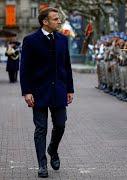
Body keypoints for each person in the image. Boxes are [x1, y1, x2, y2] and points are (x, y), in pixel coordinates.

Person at [20, 7, 74, 178]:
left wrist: (70, 89)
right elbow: (25, 68)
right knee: (40, 128)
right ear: (45, 21)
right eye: (55, 19)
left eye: (58, 19)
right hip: (38, 92)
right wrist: (27, 91)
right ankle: (42, 164)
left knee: (60, 125)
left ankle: (53, 149)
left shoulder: (62, 40)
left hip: (58, 90)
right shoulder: (30, 40)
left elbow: (67, 66)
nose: (59, 21)